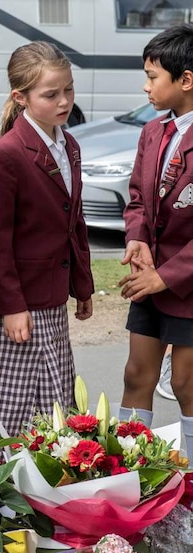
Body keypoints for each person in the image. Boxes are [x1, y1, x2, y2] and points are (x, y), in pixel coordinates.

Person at [0, 41, 94, 447]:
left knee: (52, 393)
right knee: (8, 401)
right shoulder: (7, 155)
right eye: (51, 94)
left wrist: (83, 286)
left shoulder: (69, 144)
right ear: (21, 97)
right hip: (17, 302)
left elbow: (75, 223)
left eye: (68, 89)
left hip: (52, 296)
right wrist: (12, 307)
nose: (64, 100)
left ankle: (47, 479)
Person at [118, 24, 193, 455]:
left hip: (183, 283)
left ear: (185, 80)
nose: (146, 87)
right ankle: (130, 473)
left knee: (186, 383)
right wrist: (137, 239)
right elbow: (137, 199)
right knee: (136, 374)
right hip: (150, 278)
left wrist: (165, 277)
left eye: (152, 77)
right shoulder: (153, 132)